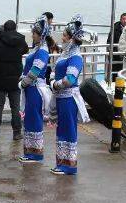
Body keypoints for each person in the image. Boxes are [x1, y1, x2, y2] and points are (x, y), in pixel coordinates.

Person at [51, 18, 89, 175]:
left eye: (65, 36)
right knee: (62, 129)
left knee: (68, 129)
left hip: (68, 98)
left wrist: (54, 84)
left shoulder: (75, 57)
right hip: (61, 98)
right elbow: (57, 71)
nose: (63, 38)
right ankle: (62, 162)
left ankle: (69, 165)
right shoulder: (66, 54)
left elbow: (70, 80)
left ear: (72, 38)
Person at [0, 19, 29, 140]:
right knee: (15, 107)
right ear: (15, 28)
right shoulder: (20, 40)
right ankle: (17, 132)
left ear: (4, 28)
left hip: (0, 77)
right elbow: (25, 50)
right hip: (15, 78)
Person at [17, 17, 50, 160]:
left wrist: (23, 83)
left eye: (35, 33)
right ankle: (30, 152)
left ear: (40, 35)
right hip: (31, 88)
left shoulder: (42, 51)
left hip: (35, 88)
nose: (32, 35)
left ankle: (35, 154)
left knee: (34, 118)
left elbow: (36, 70)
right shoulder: (37, 49)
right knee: (30, 119)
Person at [109, 12, 126, 78]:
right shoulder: (115, 27)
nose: (125, 21)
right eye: (123, 19)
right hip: (116, 52)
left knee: (125, 70)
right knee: (115, 70)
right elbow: (110, 39)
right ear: (120, 19)